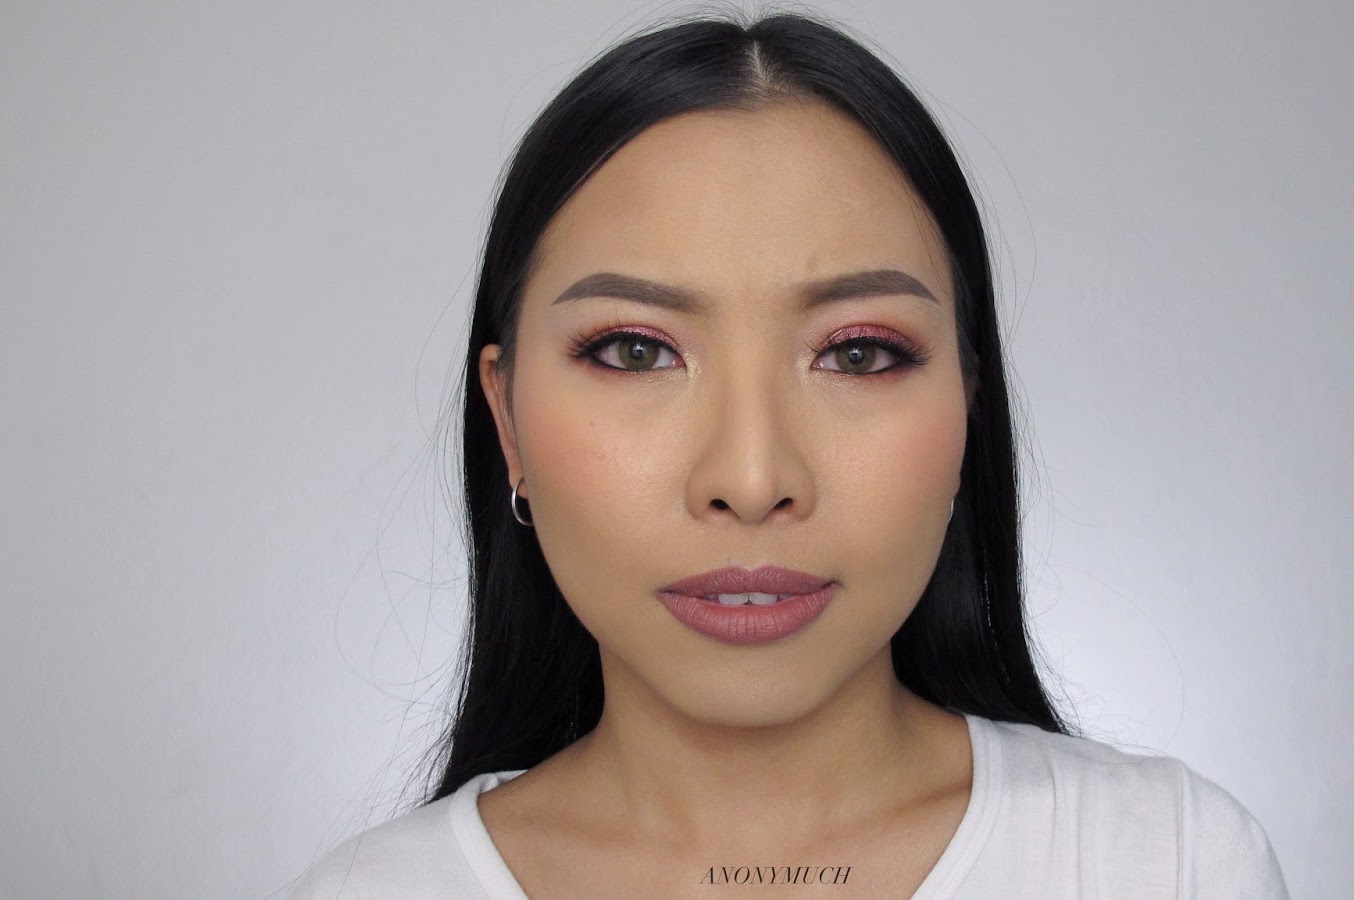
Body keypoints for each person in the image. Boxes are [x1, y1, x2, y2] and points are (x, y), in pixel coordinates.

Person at [290, 9, 1289, 898]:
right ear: (507, 423)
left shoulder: (1169, 864)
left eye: (858, 353)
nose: (751, 480)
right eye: (635, 351)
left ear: (967, 413)